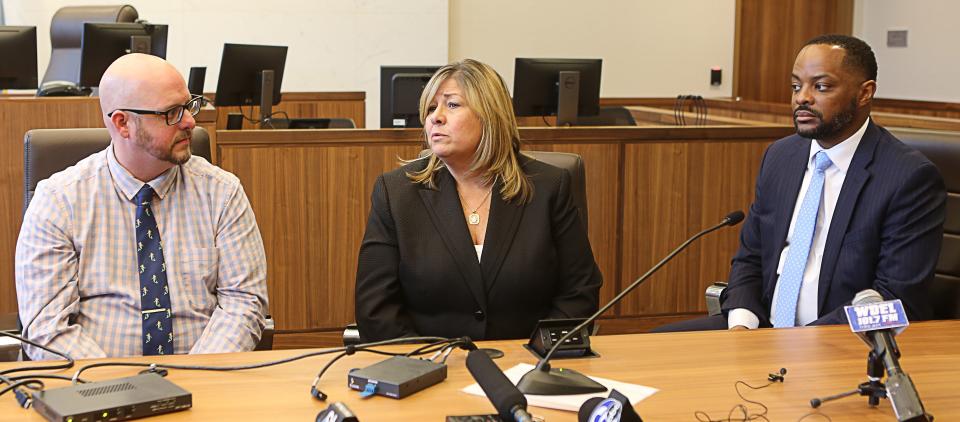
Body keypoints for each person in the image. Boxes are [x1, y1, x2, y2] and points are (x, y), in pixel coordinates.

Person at [654, 34, 946, 332]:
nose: (801, 98)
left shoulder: (908, 177)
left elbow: (897, 300)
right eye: (796, 86)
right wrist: (741, 327)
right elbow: (751, 257)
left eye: (821, 86)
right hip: (761, 332)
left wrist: (800, 344)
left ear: (864, 93)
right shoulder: (781, 156)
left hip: (841, 342)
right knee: (651, 349)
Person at [15, 54, 269, 360]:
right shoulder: (59, 201)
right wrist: (121, 387)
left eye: (189, 105)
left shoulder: (222, 192)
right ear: (123, 123)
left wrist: (197, 378)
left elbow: (244, 304)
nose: (190, 121)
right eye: (172, 112)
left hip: (205, 382)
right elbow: (47, 327)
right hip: (94, 389)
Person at [355, 59, 602, 341]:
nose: (435, 117)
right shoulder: (395, 193)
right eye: (431, 108)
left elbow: (579, 293)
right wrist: (425, 363)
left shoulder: (548, 188)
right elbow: (375, 309)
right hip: (428, 367)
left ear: (490, 115)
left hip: (528, 368)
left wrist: (535, 355)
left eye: (452, 104)